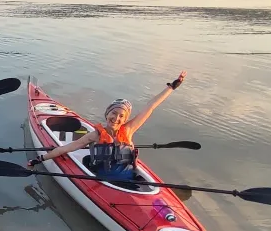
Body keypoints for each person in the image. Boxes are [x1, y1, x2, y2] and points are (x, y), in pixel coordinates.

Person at [28, 72, 187, 180]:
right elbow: (66, 148)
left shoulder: (129, 130)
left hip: (128, 177)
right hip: (102, 179)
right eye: (114, 113)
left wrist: (171, 87)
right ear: (107, 114)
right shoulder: (96, 134)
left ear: (125, 119)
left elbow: (151, 106)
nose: (116, 118)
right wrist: (40, 158)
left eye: (121, 116)